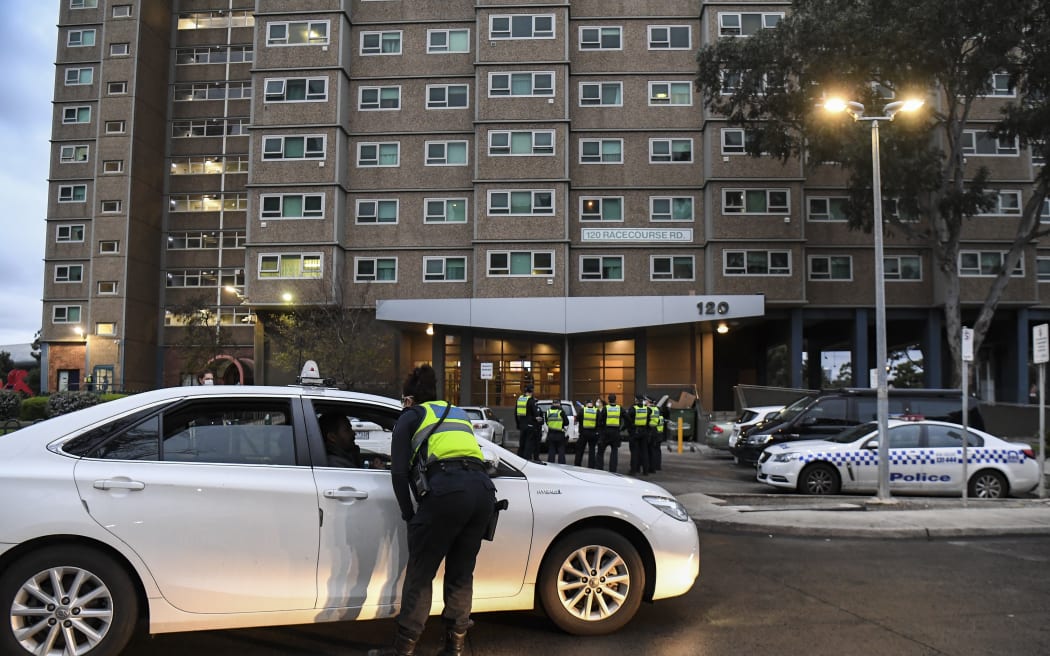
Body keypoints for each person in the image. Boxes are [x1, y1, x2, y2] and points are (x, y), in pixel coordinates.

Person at [370, 365, 496, 656]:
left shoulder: (412, 415)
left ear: (410, 399)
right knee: (461, 574)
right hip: (483, 492)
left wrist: (408, 515)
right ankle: (454, 648)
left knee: (421, 572)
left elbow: (399, 473)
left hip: (449, 491)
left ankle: (403, 650)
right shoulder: (458, 413)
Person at [597, 394, 623, 472]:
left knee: (600, 451)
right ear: (615, 400)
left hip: (606, 433)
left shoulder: (605, 408)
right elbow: (627, 418)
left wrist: (600, 429)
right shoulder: (620, 408)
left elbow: (600, 420)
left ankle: (599, 468)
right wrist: (621, 428)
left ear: (608, 400)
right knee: (614, 451)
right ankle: (613, 470)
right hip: (615, 433)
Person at [515, 385, 541, 461]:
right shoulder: (531, 400)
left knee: (522, 442)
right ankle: (527, 459)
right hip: (530, 425)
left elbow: (516, 413)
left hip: (522, 424)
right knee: (529, 443)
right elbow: (535, 414)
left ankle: (520, 458)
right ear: (531, 392)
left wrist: (518, 424)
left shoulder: (520, 399)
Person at [627, 395, 651, 476]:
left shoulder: (633, 409)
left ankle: (633, 470)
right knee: (644, 452)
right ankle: (645, 471)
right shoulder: (647, 409)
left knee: (634, 452)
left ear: (636, 400)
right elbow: (649, 420)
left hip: (635, 432)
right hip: (644, 432)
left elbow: (628, 419)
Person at [574, 398, 600, 468]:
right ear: (592, 403)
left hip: (583, 433)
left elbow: (577, 419)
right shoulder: (596, 411)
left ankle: (577, 464)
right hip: (593, 433)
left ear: (586, 404)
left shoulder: (583, 410)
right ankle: (591, 466)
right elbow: (599, 421)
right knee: (592, 450)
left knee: (580, 449)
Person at [647, 398, 664, 472]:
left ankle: (651, 467)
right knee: (657, 450)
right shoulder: (657, 410)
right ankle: (657, 466)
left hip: (652, 431)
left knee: (651, 450)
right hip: (658, 433)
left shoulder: (650, 410)